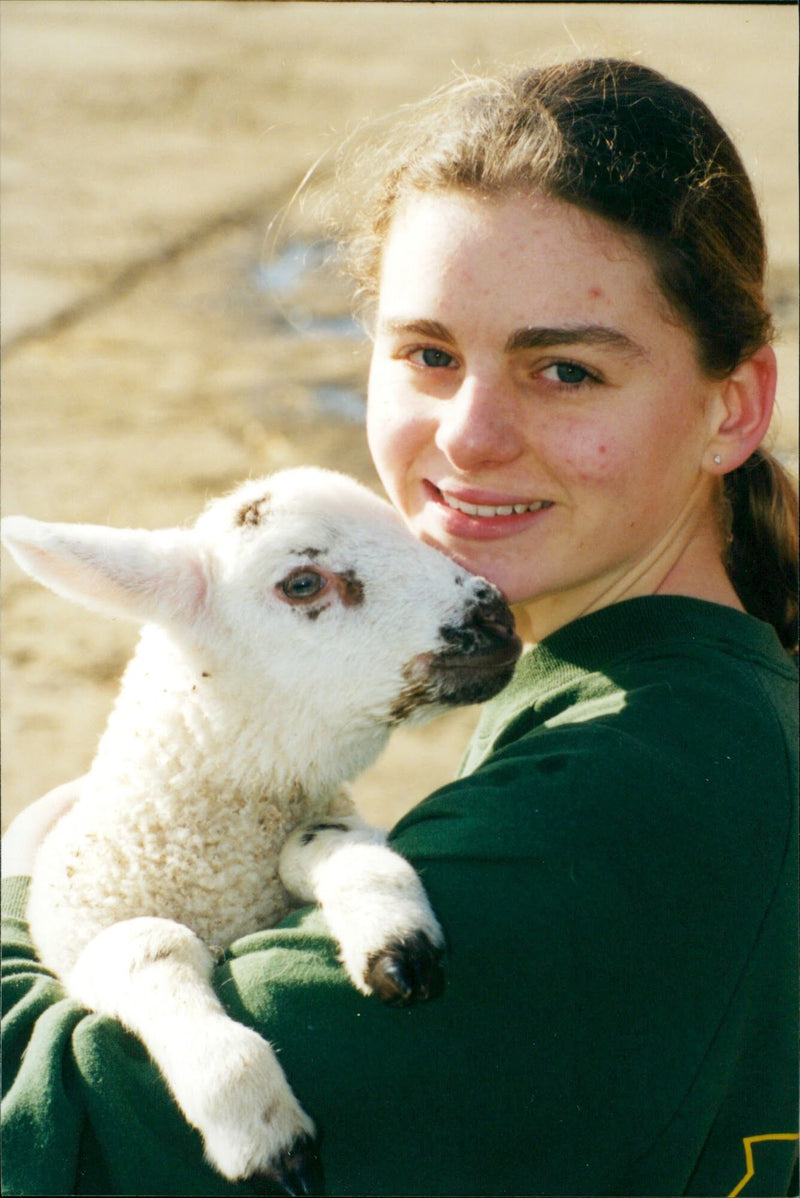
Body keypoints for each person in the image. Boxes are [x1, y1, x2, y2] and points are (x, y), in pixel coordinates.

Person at [2, 58, 797, 1198]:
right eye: (427, 354)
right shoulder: (642, 693)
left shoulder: (625, 797)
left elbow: (77, 1141)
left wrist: (29, 888)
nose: (469, 437)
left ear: (732, 405)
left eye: (564, 369)